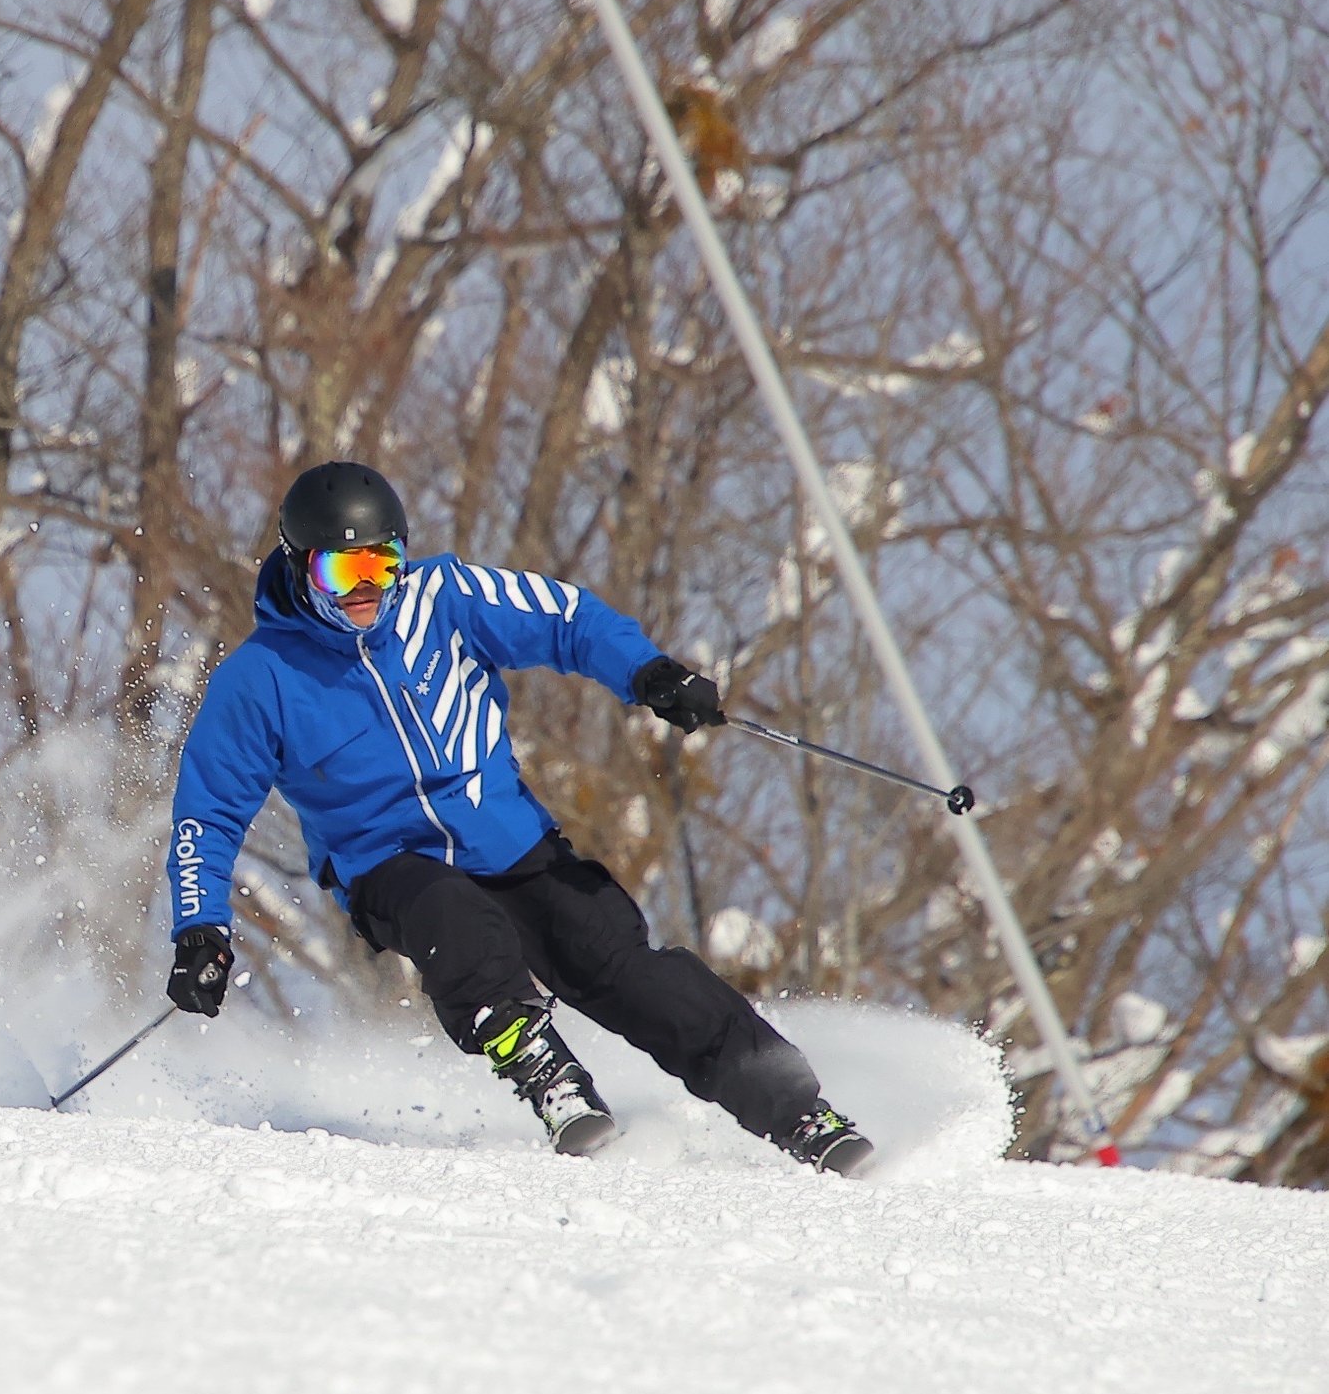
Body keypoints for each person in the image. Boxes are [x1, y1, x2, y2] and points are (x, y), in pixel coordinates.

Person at [163, 460, 872, 1174]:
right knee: (454, 921)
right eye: (342, 575)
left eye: (383, 565)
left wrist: (648, 672)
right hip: (388, 863)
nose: (367, 592)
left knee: (623, 966)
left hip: (509, 839)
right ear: (299, 569)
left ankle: (797, 1108)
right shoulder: (259, 679)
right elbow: (208, 813)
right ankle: (544, 1069)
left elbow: (568, 620)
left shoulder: (445, 597)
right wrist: (200, 929)